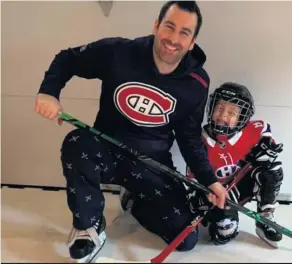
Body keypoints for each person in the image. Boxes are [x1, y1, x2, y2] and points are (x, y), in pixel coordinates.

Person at [34, 1, 230, 262]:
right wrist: (49, 92)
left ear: (193, 41)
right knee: (77, 142)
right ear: (156, 26)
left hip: (152, 162)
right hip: (104, 149)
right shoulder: (119, 52)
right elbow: (68, 58)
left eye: (184, 32)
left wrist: (209, 180)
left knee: (186, 239)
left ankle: (134, 201)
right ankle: (88, 226)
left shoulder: (196, 83)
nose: (173, 39)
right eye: (169, 27)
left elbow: (189, 137)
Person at [186, 82, 285, 248]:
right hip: (218, 196)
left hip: (241, 186)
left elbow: (267, 139)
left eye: (232, 112)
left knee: (271, 169)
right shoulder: (199, 141)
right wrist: (205, 196)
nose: (223, 116)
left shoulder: (254, 130)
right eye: (220, 109)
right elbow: (194, 181)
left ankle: (265, 217)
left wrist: (266, 150)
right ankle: (219, 218)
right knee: (222, 236)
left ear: (243, 117)